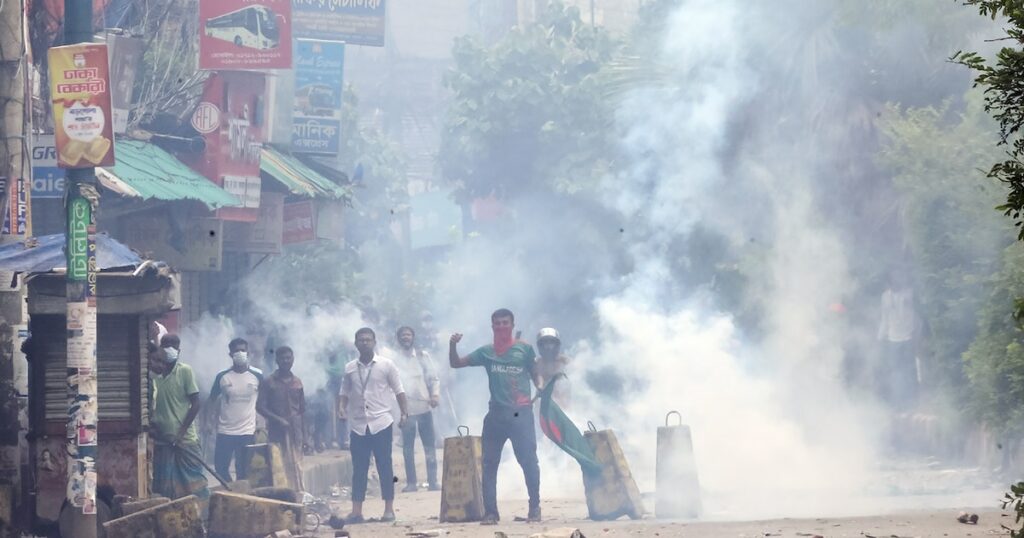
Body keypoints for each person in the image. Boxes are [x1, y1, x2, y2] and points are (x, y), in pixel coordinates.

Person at [449, 309, 542, 525]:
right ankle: (491, 513)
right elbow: (456, 363)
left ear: (511, 324)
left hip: (521, 413)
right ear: (492, 327)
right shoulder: (486, 352)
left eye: (505, 323)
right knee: (489, 464)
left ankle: (535, 508)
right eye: (497, 323)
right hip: (496, 414)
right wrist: (452, 345)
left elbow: (534, 370)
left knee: (528, 462)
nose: (501, 327)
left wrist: (539, 384)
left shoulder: (525, 349)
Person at [339, 328, 409, 524]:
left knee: (384, 466)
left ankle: (388, 509)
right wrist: (341, 408)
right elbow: (343, 391)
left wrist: (404, 412)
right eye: (361, 340)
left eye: (368, 340)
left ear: (374, 342)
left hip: (381, 422)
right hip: (359, 425)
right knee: (359, 468)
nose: (365, 343)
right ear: (355, 343)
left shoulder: (387, 365)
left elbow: (399, 390)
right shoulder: (350, 368)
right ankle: (356, 511)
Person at [150, 336, 209, 501]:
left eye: (174, 345)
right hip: (163, 441)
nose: (170, 348)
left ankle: (204, 516)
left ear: (179, 350)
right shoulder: (155, 377)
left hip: (185, 440)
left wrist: (180, 433)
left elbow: (196, 403)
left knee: (194, 483)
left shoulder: (185, 371)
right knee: (166, 486)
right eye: (166, 345)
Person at [207, 337, 262, 482]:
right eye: (236, 350)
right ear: (230, 354)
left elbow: (265, 400)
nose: (240, 353)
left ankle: (241, 497)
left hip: (247, 431)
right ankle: (231, 490)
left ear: (248, 353)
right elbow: (211, 400)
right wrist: (208, 421)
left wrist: (263, 423)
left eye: (243, 350)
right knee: (220, 468)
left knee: (243, 469)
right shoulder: (222, 377)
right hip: (225, 430)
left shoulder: (257, 375)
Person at [394, 326, 441, 492]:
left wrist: (435, 395)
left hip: (424, 408)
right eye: (403, 335)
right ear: (398, 339)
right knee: (408, 448)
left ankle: (433, 482)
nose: (406, 337)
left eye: (408, 334)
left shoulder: (422, 356)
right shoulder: (393, 359)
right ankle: (411, 483)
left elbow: (434, 378)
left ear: (413, 337)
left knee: (429, 446)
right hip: (405, 410)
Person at [256, 346, 306, 491]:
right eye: (282, 358)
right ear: (277, 360)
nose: (286, 361)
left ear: (293, 360)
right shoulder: (268, 382)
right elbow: (260, 406)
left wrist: (306, 437)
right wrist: (278, 420)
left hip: (296, 434)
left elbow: (302, 411)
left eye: (288, 358)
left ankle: (299, 496)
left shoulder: (298, 382)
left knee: (297, 466)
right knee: (279, 466)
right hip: (276, 433)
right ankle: (284, 496)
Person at [877, 270, 920, 410]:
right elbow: (884, 318)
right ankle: (898, 402)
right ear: (889, 282)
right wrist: (880, 337)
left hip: (908, 336)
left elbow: (916, 315)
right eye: (893, 280)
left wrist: (916, 334)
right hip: (892, 338)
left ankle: (912, 401)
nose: (896, 282)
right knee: (895, 371)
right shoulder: (885, 297)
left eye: (898, 278)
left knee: (909, 370)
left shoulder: (909, 294)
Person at [536, 328, 571, 407]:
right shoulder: (538, 362)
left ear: (556, 345)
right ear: (540, 346)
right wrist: (540, 386)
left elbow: (576, 375)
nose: (548, 347)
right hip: (543, 403)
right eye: (545, 343)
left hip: (563, 402)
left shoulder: (565, 361)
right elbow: (539, 375)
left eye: (551, 343)